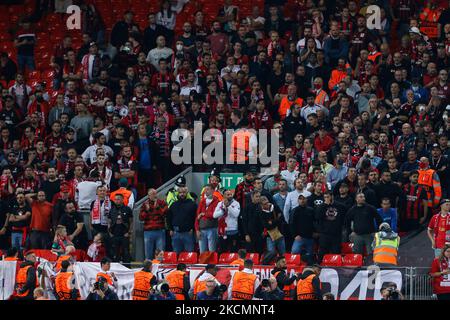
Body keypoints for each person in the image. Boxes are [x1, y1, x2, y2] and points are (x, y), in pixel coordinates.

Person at [315, 192, 346, 262]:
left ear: (332, 196)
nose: (326, 199)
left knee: (336, 252)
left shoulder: (340, 206)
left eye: (328, 197)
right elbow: (317, 217)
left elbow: (344, 217)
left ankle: (337, 269)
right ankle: (319, 267)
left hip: (336, 234)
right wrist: (324, 205)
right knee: (322, 252)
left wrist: (340, 226)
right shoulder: (321, 206)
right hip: (324, 234)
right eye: (325, 197)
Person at [167, 186, 197, 254]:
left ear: (187, 193)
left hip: (188, 233)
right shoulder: (173, 205)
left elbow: (195, 218)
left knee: (190, 255)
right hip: (175, 233)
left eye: (184, 192)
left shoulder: (192, 204)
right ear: (178, 193)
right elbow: (168, 217)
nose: (182, 194)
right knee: (176, 254)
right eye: (180, 192)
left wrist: (193, 229)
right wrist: (170, 229)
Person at [139, 188, 168, 260]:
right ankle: (148, 269)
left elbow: (165, 214)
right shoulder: (144, 205)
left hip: (160, 231)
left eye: (155, 193)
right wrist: (147, 210)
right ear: (148, 196)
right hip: (148, 232)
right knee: (148, 254)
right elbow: (141, 218)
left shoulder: (162, 203)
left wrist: (157, 207)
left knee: (160, 254)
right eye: (152, 194)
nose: (154, 195)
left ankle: (160, 268)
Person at [290, 195, 315, 264]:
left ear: (306, 200)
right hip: (299, 237)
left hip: (310, 237)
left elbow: (315, 222)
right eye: (300, 199)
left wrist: (315, 232)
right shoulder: (294, 210)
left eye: (304, 199)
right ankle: (295, 266)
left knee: (310, 255)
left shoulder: (311, 210)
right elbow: (291, 224)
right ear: (298, 201)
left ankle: (308, 267)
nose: (302, 200)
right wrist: (295, 235)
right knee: (295, 251)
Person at [213, 189, 240, 253]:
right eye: (228, 195)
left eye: (231, 194)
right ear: (224, 196)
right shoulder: (220, 204)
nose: (230, 196)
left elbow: (236, 214)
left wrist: (228, 206)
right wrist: (222, 211)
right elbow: (214, 215)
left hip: (232, 230)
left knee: (232, 250)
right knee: (222, 250)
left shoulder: (236, 203)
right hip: (222, 231)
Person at [195, 184, 220, 253]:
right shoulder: (202, 202)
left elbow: (214, 214)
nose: (206, 191)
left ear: (213, 190)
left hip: (212, 229)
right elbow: (197, 217)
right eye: (205, 189)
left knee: (212, 251)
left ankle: (211, 264)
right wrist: (197, 230)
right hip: (202, 229)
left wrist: (204, 214)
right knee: (202, 252)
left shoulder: (217, 201)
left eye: (208, 189)